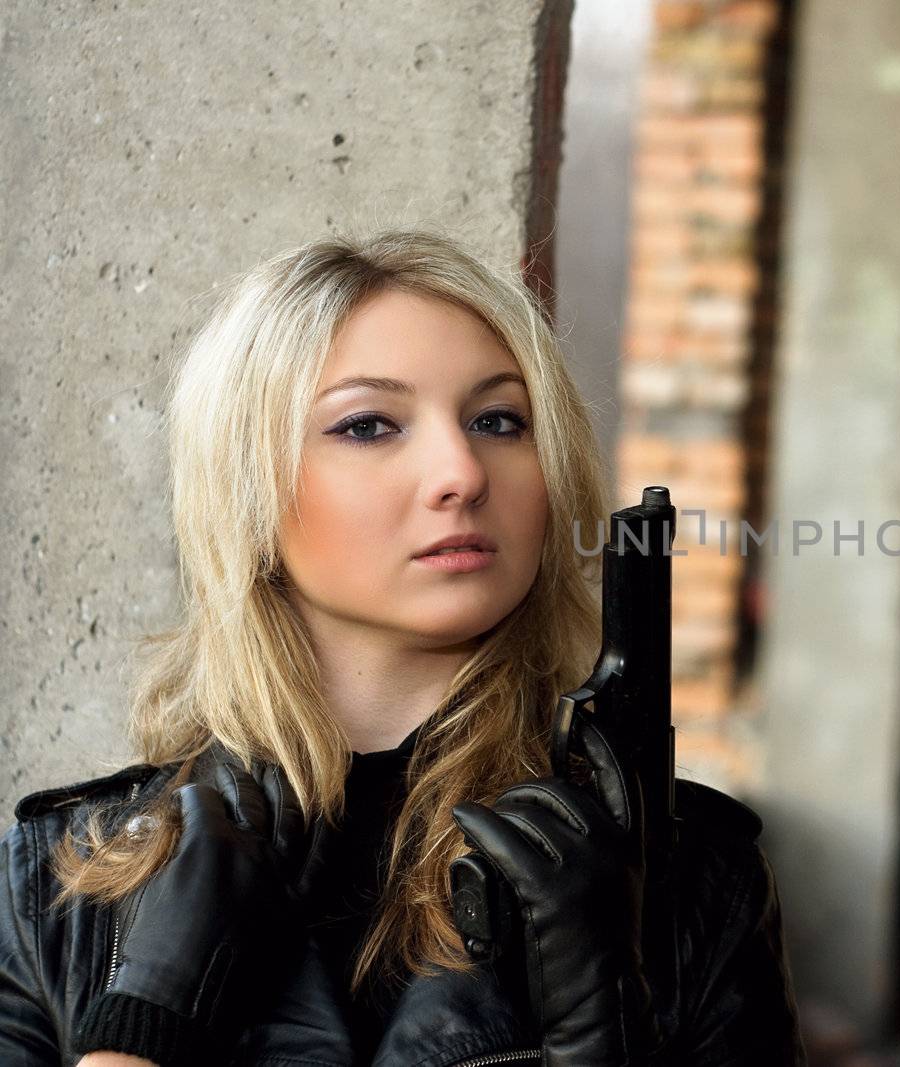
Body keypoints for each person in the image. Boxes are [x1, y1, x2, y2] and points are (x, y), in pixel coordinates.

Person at [0, 229, 807, 1066]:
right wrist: (147, 1018)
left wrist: (608, 1038)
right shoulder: (58, 888)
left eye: (499, 419)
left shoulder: (688, 871)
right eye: (369, 425)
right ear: (248, 487)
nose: (462, 470)